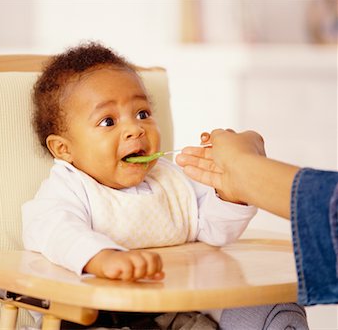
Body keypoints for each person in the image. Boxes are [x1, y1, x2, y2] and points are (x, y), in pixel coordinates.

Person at [22, 43, 308, 329]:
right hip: (95, 313)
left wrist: (229, 193)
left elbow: (213, 231)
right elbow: (55, 229)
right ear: (63, 149)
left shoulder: (168, 179)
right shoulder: (70, 188)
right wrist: (100, 258)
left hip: (175, 310)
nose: (135, 129)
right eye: (108, 121)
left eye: (142, 113)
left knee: (277, 313)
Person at [176, 128, 338, 306]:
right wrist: (243, 166)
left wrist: (239, 173)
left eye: (144, 114)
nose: (139, 130)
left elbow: (214, 228)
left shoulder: (173, 184)